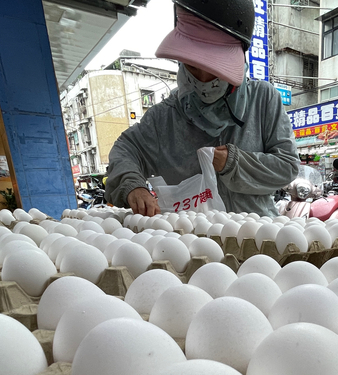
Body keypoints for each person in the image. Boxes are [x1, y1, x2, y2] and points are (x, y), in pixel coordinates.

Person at [106, 0, 300, 217]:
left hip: (258, 235)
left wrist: (236, 164)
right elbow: (126, 150)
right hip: (188, 242)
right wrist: (133, 186)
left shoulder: (263, 99)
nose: (204, 81)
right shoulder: (164, 118)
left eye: (216, 70)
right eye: (194, 67)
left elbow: (287, 166)